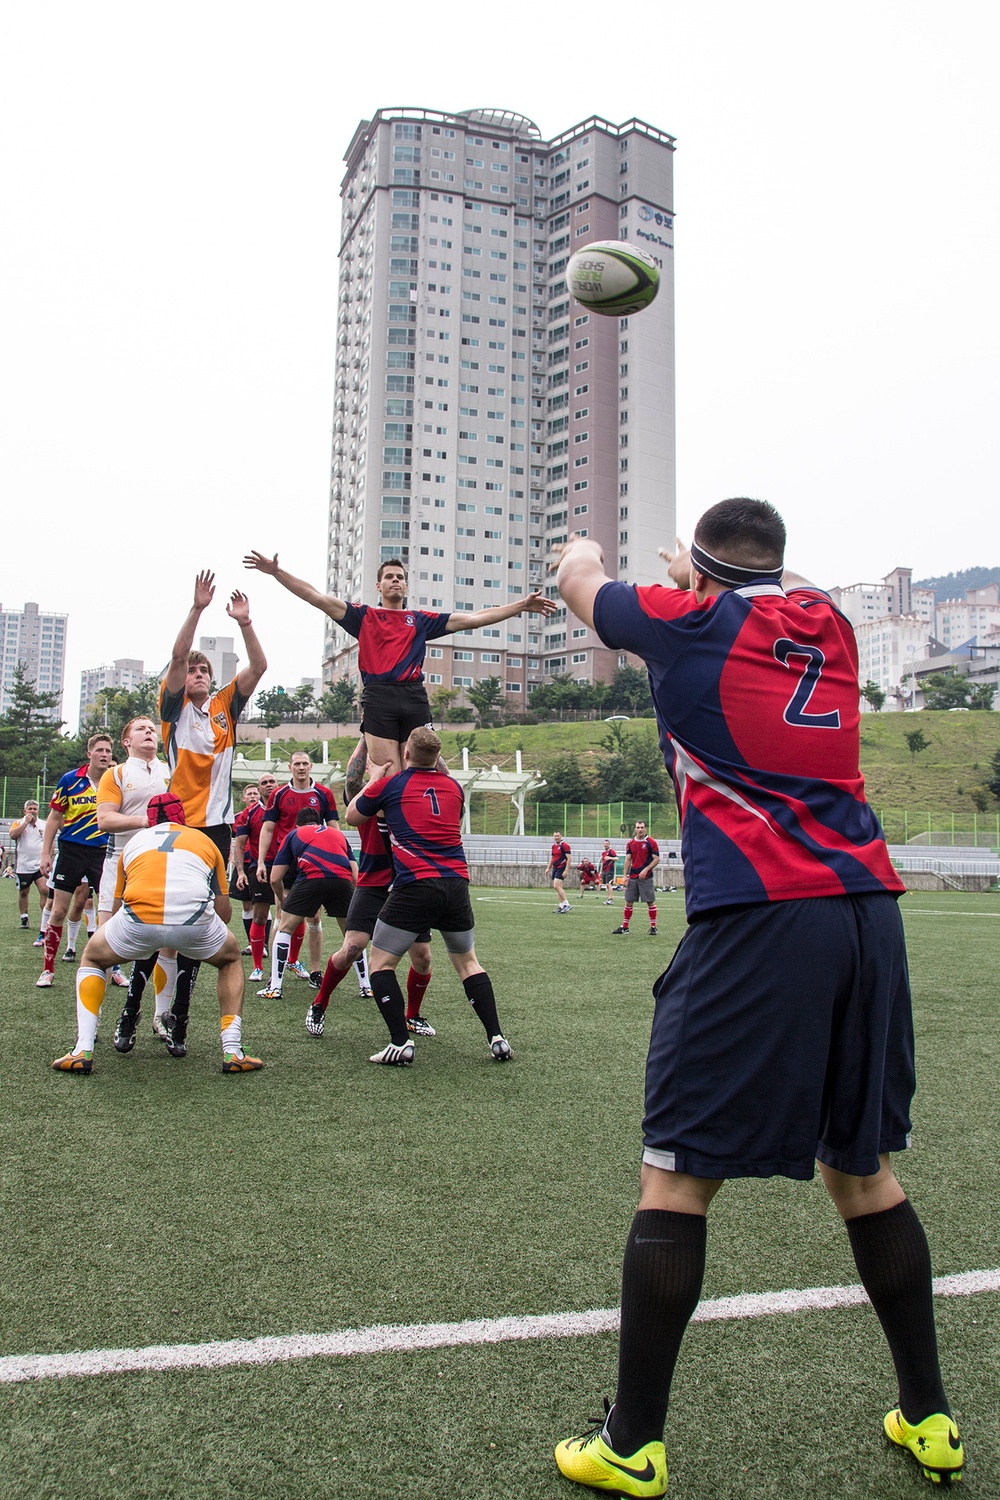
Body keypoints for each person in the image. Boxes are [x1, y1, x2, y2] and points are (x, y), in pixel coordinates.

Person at [552, 499, 962, 1494]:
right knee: (863, 1173)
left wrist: (583, 550)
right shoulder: (830, 620)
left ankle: (631, 1441)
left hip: (760, 915)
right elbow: (731, 608)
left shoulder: (680, 617)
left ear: (697, 573)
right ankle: (929, 1417)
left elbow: (579, 582)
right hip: (868, 912)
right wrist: (691, 580)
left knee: (677, 1177)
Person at [243, 551, 555, 775]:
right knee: (388, 772)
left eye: (400, 577)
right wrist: (276, 572)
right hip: (379, 697)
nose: (396, 580)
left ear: (406, 586)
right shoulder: (363, 616)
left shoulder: (419, 620)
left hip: (414, 697)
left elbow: (472, 619)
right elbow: (314, 596)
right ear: (378, 586)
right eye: (389, 577)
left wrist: (521, 605)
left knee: (423, 769)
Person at [52, 792, 262, 1074]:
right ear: (183, 818)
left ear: (149, 820)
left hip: (138, 920)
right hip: (193, 922)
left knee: (92, 958)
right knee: (231, 959)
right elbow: (224, 913)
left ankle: (82, 1049)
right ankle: (233, 1051)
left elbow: (116, 907)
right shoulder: (206, 842)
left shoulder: (134, 843)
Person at [346, 727, 511, 1066]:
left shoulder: (393, 785)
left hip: (415, 886)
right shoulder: (455, 789)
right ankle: (497, 1037)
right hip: (456, 884)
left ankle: (399, 1042)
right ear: (439, 758)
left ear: (405, 755)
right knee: (468, 963)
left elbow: (351, 815)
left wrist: (375, 777)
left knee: (380, 963)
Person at [307, 762, 433, 1039]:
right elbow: (352, 781)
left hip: (407, 885)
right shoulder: (367, 800)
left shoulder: (410, 798)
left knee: (423, 958)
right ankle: (320, 1003)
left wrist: (425, 732)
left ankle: (412, 1015)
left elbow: (441, 774)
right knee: (352, 947)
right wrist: (368, 734)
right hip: (372, 885)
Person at [159, 570, 267, 859]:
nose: (198, 675)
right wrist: (197, 608)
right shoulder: (174, 707)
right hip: (179, 818)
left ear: (211, 677)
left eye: (203, 670)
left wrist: (245, 623)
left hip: (218, 821)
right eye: (192, 671)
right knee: (180, 890)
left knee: (216, 895)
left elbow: (258, 667)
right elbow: (179, 656)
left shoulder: (224, 704)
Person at [95, 716, 170, 996]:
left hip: (161, 862)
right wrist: (146, 821)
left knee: (167, 940)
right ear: (127, 742)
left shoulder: (171, 771)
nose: (149, 731)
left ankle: (161, 1016)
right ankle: (90, 1024)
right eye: (142, 729)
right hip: (120, 861)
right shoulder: (116, 773)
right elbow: (104, 819)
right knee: (103, 939)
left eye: (152, 729)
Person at [35, 733, 114, 986]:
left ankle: (112, 969)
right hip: (71, 849)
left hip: (103, 852)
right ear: (89, 753)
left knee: (108, 913)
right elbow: (54, 818)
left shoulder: (116, 780)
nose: (105, 754)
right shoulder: (70, 780)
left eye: (108, 751)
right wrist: (46, 853)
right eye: (100, 750)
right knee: (58, 910)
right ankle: (48, 969)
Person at [256, 808, 358, 998]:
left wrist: (282, 899)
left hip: (310, 878)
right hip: (342, 880)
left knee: (284, 928)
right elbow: (355, 875)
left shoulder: (294, 833)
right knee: (353, 934)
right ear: (320, 823)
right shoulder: (338, 834)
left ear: (297, 825)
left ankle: (275, 987)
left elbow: (274, 879)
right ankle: (365, 986)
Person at [255, 752, 339, 981]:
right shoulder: (279, 794)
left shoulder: (324, 793)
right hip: (287, 861)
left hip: (315, 860)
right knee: (282, 914)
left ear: (311, 766)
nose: (301, 768)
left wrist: (338, 856)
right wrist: (262, 861)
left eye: (305, 764)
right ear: (290, 767)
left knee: (314, 918)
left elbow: (333, 828)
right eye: (297, 764)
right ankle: (276, 972)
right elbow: (268, 829)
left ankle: (315, 971)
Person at [232, 771, 278, 981]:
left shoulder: (286, 806)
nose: (268, 785)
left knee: (291, 915)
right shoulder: (248, 814)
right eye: (264, 783)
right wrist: (240, 871)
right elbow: (239, 844)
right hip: (259, 868)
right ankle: (258, 967)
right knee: (257, 913)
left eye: (272, 781)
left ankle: (291, 962)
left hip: (287, 867)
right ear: (259, 790)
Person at [612, 821, 660, 936]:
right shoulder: (630, 843)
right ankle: (625, 927)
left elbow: (656, 859)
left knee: (650, 901)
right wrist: (625, 876)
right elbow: (628, 859)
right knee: (629, 901)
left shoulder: (651, 842)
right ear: (635, 829)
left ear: (645, 829)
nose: (640, 830)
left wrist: (646, 870)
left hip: (646, 877)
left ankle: (653, 927)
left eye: (642, 827)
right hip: (633, 876)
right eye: (638, 827)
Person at [10, 800, 47, 930]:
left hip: (39, 865)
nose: (33, 811)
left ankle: (46, 918)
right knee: (24, 892)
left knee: (45, 890)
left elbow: (50, 841)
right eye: (30, 809)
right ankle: (24, 917)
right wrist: (26, 822)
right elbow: (13, 835)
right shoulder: (18, 823)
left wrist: (49, 857)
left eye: (35, 809)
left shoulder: (43, 824)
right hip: (23, 865)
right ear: (25, 811)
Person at [545, 832, 572, 914]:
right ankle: (561, 906)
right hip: (555, 867)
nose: (556, 837)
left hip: (561, 867)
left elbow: (569, 858)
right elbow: (553, 857)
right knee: (558, 887)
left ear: (561, 836)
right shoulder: (554, 846)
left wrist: (566, 870)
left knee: (556, 886)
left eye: (558, 836)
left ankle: (567, 904)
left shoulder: (565, 845)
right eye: (555, 836)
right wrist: (548, 868)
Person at [599, 838, 619, 903]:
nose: (606, 845)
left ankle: (610, 899)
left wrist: (610, 858)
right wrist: (601, 871)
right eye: (605, 843)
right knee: (606, 885)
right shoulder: (604, 853)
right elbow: (603, 862)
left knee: (608, 884)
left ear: (609, 844)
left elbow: (617, 858)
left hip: (610, 870)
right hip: (604, 870)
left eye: (607, 843)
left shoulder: (611, 851)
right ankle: (608, 899)